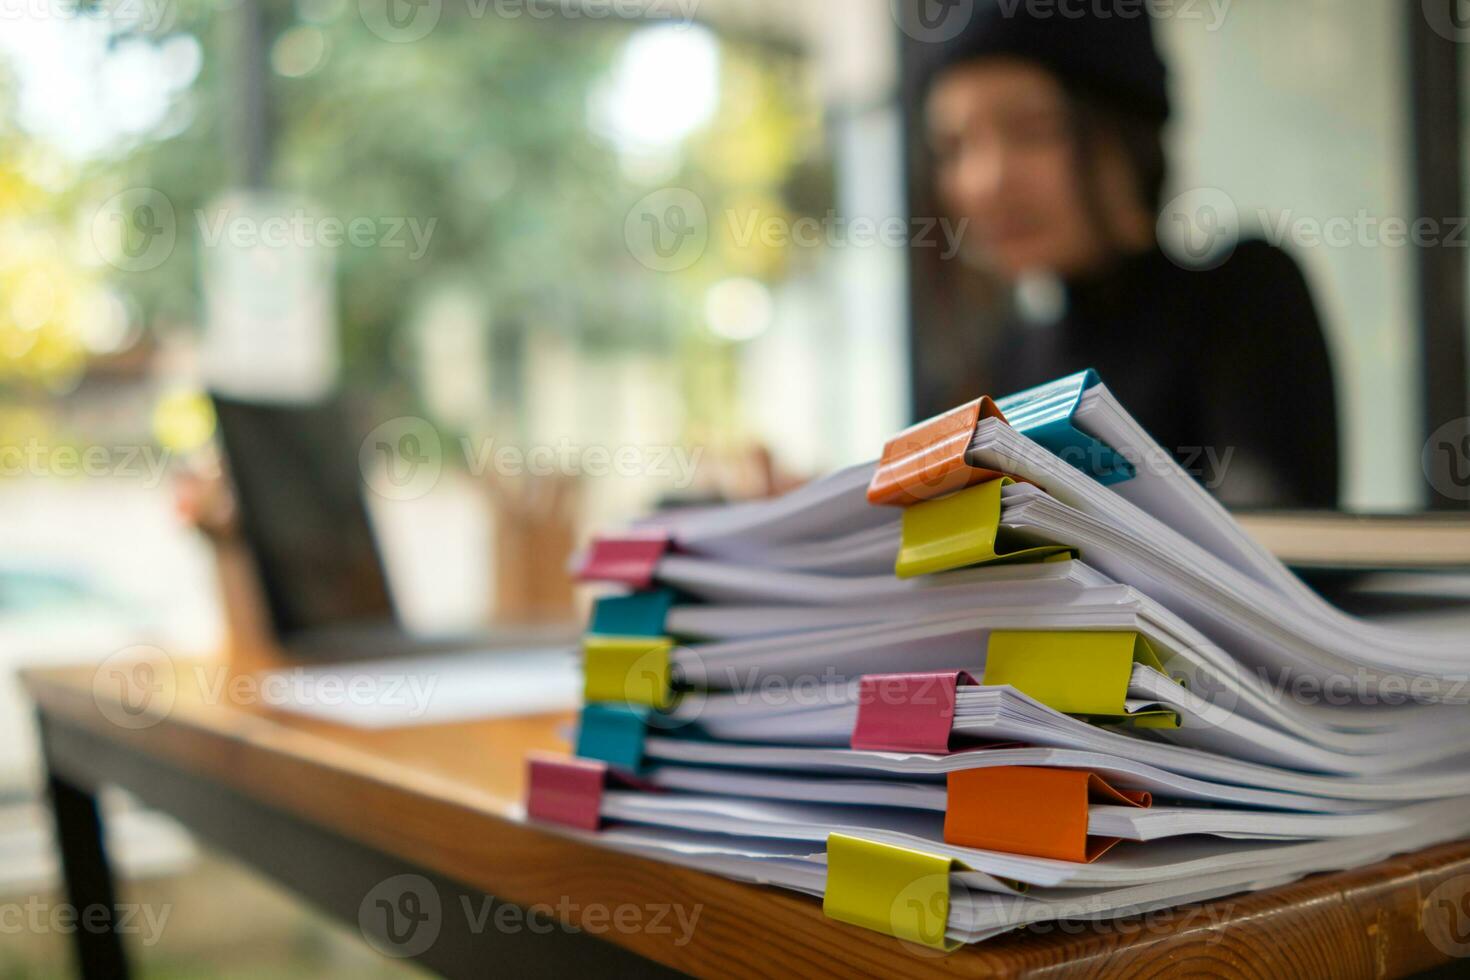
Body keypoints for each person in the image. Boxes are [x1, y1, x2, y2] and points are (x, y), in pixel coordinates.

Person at [917, 4, 1339, 509]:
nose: (984, 181)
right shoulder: (1010, 357)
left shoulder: (1243, 297)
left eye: (1033, 129)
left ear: (1126, 134)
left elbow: (1269, 541)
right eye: (952, 147)